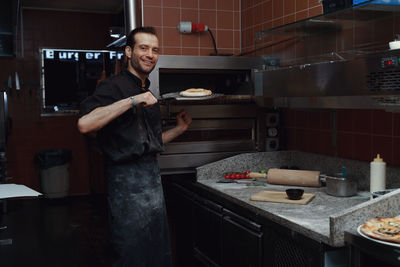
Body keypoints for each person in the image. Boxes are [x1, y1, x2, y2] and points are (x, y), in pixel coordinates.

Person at [77, 26, 192, 267]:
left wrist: (179, 129)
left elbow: (149, 142)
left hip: (151, 182)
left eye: (155, 50)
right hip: (125, 185)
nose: (150, 54)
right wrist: (132, 101)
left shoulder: (145, 89)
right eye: (143, 48)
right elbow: (84, 124)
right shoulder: (114, 87)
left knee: (157, 253)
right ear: (129, 52)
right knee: (131, 255)